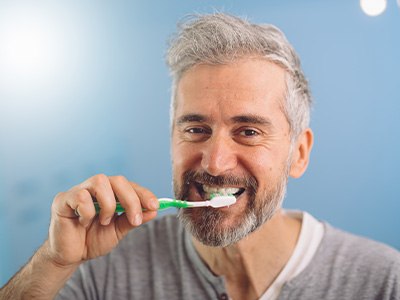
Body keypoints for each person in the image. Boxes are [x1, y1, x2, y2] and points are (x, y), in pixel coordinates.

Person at [1, 13, 399, 300]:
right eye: (195, 130)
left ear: (299, 153)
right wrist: (53, 263)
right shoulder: (103, 267)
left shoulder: (383, 281)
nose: (215, 162)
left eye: (248, 132)